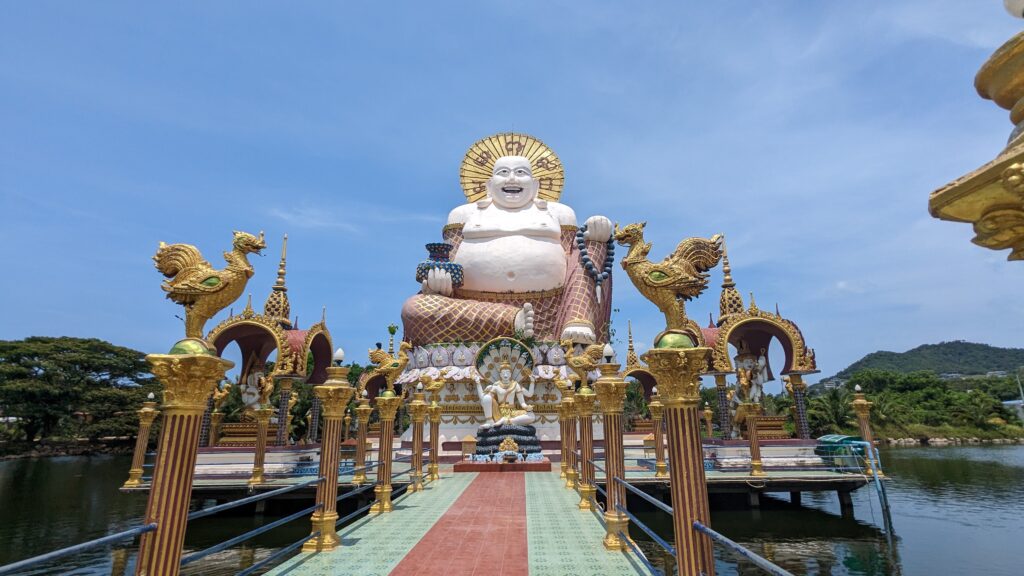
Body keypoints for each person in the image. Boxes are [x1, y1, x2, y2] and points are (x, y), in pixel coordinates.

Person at [401, 134, 613, 345]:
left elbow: (572, 260)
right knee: (413, 309)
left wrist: (596, 230)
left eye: (521, 173)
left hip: (551, 312)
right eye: (504, 173)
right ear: (489, 185)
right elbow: (450, 262)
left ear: (536, 185)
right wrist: (440, 284)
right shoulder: (464, 214)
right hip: (474, 312)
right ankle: (510, 320)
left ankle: (577, 320)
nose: (512, 178)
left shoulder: (558, 213)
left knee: (591, 243)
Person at [477, 361, 536, 428]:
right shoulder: (496, 385)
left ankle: (506, 421)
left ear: (511, 374)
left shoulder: (515, 384)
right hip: (499, 412)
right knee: (487, 397)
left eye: (507, 373)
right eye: (503, 373)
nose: (505, 375)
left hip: (512, 412)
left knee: (532, 416)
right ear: (500, 374)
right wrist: (478, 383)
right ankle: (489, 421)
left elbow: (527, 397)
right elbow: (483, 399)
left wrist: (532, 381)